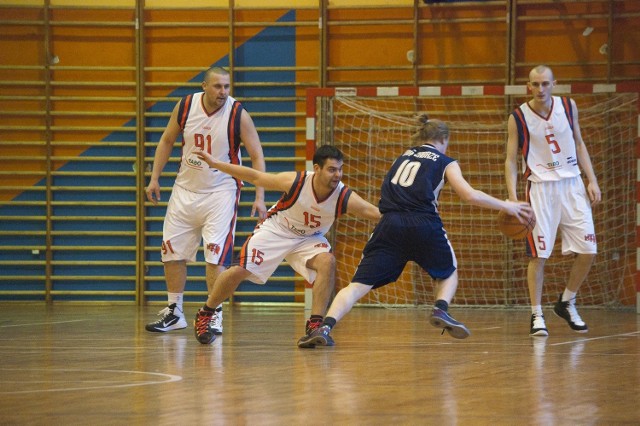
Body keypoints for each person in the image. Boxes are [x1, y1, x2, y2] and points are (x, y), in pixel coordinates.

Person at [298, 115, 535, 348]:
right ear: (443, 139)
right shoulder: (445, 161)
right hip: (423, 223)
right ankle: (441, 308)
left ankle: (325, 327)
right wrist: (508, 205)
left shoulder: (400, 158)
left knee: (357, 286)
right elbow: (468, 194)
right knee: (448, 272)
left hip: (389, 224)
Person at [192, 144, 381, 345]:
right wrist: (216, 163)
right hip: (277, 230)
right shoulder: (296, 182)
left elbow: (374, 214)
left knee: (328, 261)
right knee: (240, 270)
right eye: (332, 169)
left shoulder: (343, 196)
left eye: (340, 169)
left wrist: (411, 214)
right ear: (317, 169)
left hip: (308, 238)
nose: (338, 175)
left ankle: (315, 326)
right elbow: (256, 177)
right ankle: (206, 312)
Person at [145, 66, 267, 335]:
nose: (223, 92)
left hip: (221, 192)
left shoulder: (237, 114)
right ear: (204, 86)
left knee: (215, 255)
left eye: (226, 86)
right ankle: (174, 311)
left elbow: (257, 155)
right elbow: (166, 140)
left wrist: (260, 196)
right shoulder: (186, 105)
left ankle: (213, 314)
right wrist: (154, 178)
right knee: (171, 251)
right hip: (184, 190)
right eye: (217, 86)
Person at [505, 65, 601, 337]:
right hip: (540, 189)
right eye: (535, 84)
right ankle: (536, 314)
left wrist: (591, 180)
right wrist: (513, 198)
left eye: (545, 84)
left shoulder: (569, 107)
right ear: (528, 86)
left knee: (589, 250)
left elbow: (580, 144)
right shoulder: (518, 117)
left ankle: (567, 301)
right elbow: (511, 160)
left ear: (554, 84)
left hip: (572, 186)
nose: (540, 89)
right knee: (539, 256)